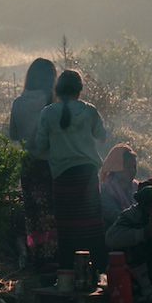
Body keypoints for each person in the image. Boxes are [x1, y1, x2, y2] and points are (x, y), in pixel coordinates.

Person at [34, 69, 108, 269]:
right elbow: (102, 135)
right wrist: (87, 148)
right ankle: (101, 272)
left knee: (67, 230)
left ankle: (67, 273)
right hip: (87, 176)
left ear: (57, 90)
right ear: (79, 90)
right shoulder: (89, 110)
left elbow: (40, 146)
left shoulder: (48, 113)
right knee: (93, 228)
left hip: (63, 178)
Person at [9, 57, 58, 272]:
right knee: (53, 212)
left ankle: (37, 256)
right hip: (50, 165)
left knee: (34, 214)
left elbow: (12, 135)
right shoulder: (52, 104)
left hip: (28, 165)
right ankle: (54, 256)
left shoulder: (18, 103)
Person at [98, 143, 138, 226]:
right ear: (116, 168)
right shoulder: (105, 190)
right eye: (128, 167)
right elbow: (114, 216)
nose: (132, 170)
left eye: (134, 167)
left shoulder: (138, 188)